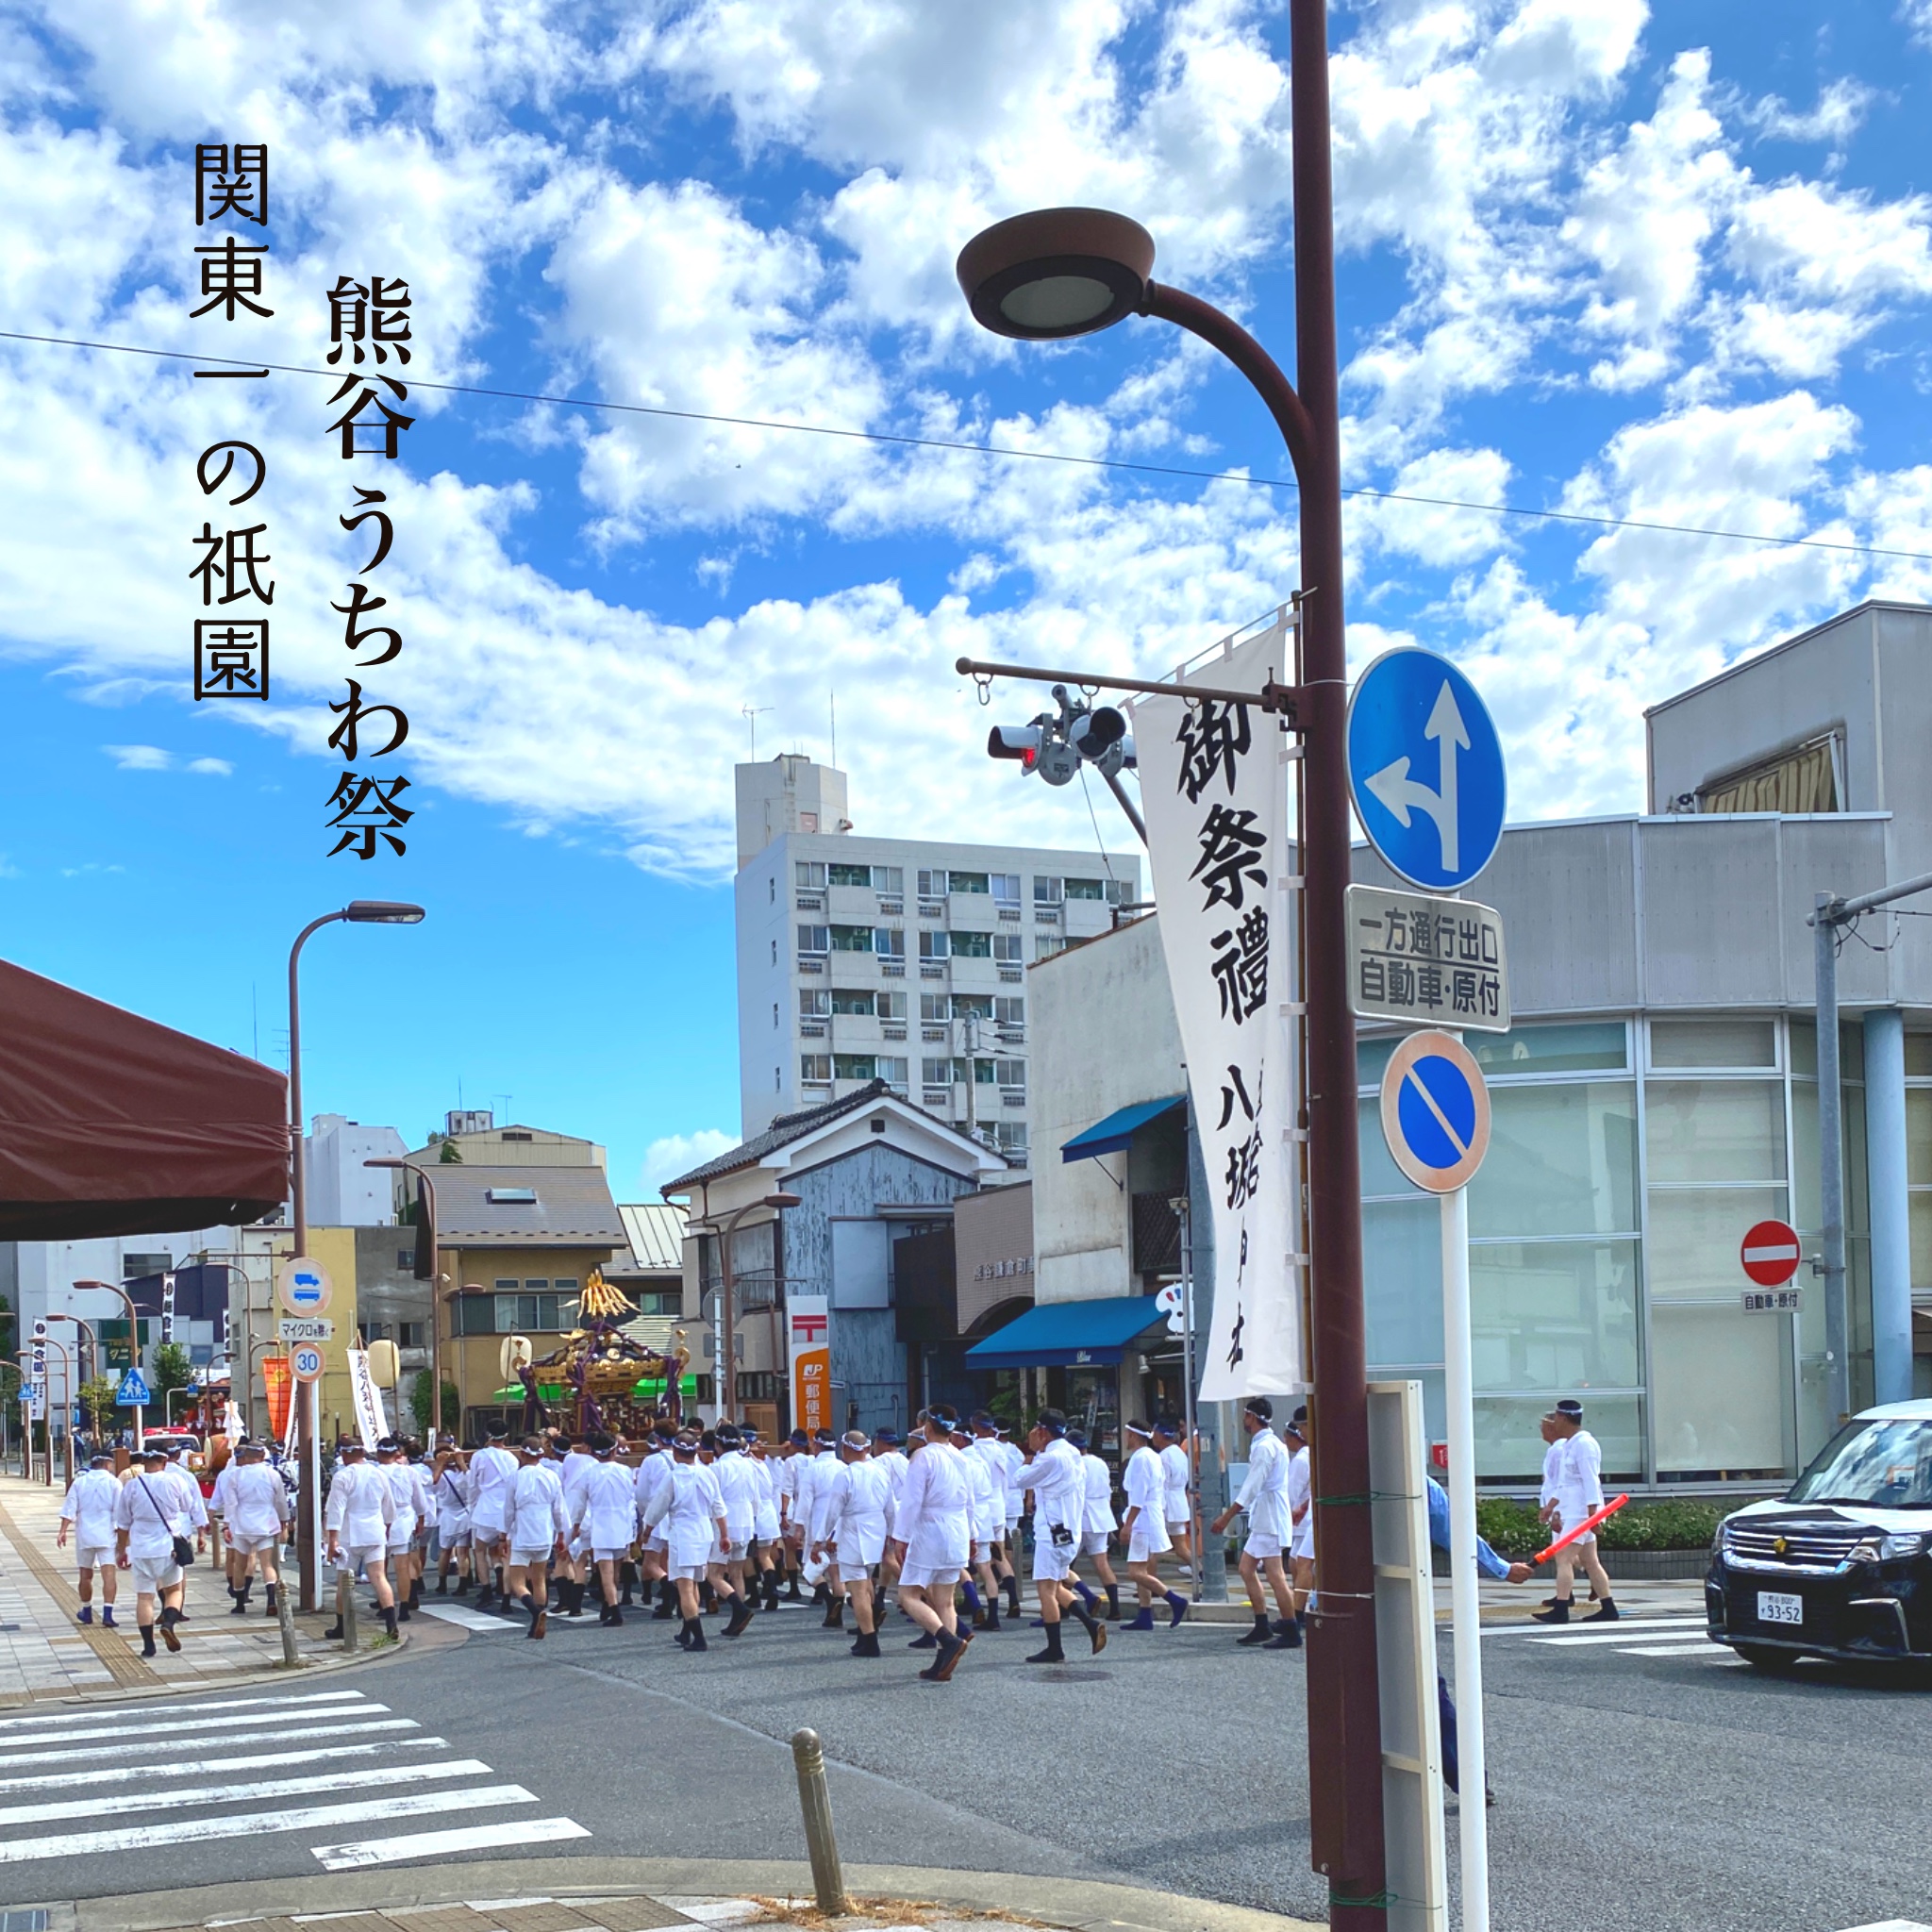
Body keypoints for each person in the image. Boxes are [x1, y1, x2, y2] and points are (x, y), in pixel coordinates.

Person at [1427, 1474, 1533, 1804]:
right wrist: (1501, 1568)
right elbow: (1455, 1532)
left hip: (1342, 1610)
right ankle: (1468, 1779)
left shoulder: (1333, 1472)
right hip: (1397, 1609)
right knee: (1431, 1696)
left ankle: (1469, 1780)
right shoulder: (1415, 1482)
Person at [888, 1407, 974, 1682]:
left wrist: (901, 1536)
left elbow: (912, 1500)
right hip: (957, 1528)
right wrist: (972, 1535)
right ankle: (943, 1663)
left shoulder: (922, 1456)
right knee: (945, 1600)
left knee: (909, 1595)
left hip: (930, 1529)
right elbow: (970, 1501)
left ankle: (947, 1641)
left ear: (927, 1427)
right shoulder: (961, 1457)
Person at [1016, 1408, 1108, 1664]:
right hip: (1069, 1530)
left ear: (1042, 1432)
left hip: (1051, 1531)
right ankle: (1090, 1624)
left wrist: (1033, 1453)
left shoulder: (1050, 1458)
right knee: (1056, 1585)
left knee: (1045, 1589)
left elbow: (1019, 1480)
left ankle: (1054, 1647)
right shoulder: (1072, 1453)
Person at [1209, 1396, 1299, 1649]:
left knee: (1276, 1574)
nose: (1243, 1421)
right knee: (1246, 1568)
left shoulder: (1264, 1447)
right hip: (1267, 1515)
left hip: (1268, 1517)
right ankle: (1263, 1625)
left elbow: (1252, 1486)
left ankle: (1290, 1627)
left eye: (1245, 1416)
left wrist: (1227, 1516)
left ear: (1251, 1417)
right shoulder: (1274, 1443)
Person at [641, 1428, 729, 1651]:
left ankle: (699, 1638)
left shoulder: (673, 1477)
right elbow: (718, 1505)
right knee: (694, 1582)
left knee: (685, 1586)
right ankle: (687, 1632)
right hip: (705, 1532)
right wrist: (725, 1534)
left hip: (683, 1533)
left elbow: (657, 1507)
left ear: (676, 1452)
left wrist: (647, 1529)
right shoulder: (707, 1473)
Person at [1534, 1399, 1618, 1624]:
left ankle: (1561, 1608)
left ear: (1563, 1418)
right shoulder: (1570, 1444)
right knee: (1590, 1560)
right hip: (1573, 1509)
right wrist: (1551, 1506)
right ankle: (1608, 1607)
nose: (1553, 1423)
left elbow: (1591, 1482)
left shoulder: (1584, 1445)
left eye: (1556, 1418)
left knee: (1564, 1557)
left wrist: (1594, 1515)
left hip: (1580, 1512)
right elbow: (1563, 1483)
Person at [817, 1430, 891, 1657]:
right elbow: (891, 1508)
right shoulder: (880, 1472)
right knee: (867, 1581)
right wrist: (891, 1535)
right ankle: (865, 1633)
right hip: (876, 1528)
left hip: (853, 1530)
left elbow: (833, 1511)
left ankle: (869, 1638)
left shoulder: (846, 1475)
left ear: (846, 1449)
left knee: (857, 1589)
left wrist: (820, 1539)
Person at [113, 1446, 190, 1657]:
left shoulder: (132, 1486)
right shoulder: (175, 1480)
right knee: (174, 1590)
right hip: (167, 1545)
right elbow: (186, 1506)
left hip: (140, 1547)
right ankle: (169, 1623)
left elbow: (123, 1523)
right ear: (164, 1462)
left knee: (144, 1597)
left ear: (144, 1462)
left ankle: (148, 1645)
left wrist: (122, 1550)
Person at [324, 1440, 398, 1640]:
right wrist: (387, 1526)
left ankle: (342, 1626)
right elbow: (388, 1504)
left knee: (344, 1582)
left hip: (349, 1533)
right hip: (375, 1530)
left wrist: (332, 1540)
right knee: (379, 1577)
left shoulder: (342, 1476)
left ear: (345, 1454)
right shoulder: (378, 1474)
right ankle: (391, 1625)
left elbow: (336, 1509)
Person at [1119, 1422, 1187, 1630]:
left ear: (1133, 1436)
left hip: (1143, 1520)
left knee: (1135, 1571)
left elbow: (1138, 1495)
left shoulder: (1140, 1459)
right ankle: (1145, 1613)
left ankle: (1174, 1600)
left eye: (1127, 1434)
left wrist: (1128, 1525)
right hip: (1152, 1515)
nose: (1126, 1438)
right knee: (1143, 1567)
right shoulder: (1154, 1456)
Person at [504, 1436, 571, 1637]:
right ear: (541, 1455)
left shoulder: (515, 1477)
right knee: (539, 1577)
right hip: (544, 1530)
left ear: (522, 1454)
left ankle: (535, 1612)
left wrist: (503, 1534)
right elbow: (559, 1509)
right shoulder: (551, 1476)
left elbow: (508, 1510)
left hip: (523, 1530)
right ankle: (538, 1619)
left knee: (517, 1582)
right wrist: (561, 1534)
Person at [575, 1430, 640, 1625]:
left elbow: (580, 1503)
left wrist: (577, 1524)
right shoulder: (625, 1471)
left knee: (605, 1570)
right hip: (622, 1521)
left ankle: (613, 1608)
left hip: (600, 1522)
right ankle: (609, 1602)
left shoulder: (589, 1473)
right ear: (614, 1451)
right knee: (617, 1567)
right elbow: (631, 1498)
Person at [223, 1441, 290, 1617]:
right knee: (267, 1564)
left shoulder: (235, 1475)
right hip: (266, 1523)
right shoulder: (272, 1474)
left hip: (242, 1523)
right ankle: (270, 1601)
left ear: (246, 1456)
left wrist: (227, 1524)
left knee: (240, 1565)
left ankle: (239, 1603)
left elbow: (230, 1503)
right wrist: (284, 1520)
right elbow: (281, 1500)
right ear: (262, 1456)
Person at [58, 1452, 119, 1628]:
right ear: (108, 1463)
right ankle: (108, 1613)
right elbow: (120, 1510)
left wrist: (62, 1531)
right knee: (109, 1574)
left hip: (85, 1532)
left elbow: (70, 1508)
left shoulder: (80, 1482)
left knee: (86, 1575)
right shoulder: (114, 1483)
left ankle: (86, 1610)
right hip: (107, 1532)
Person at [465, 1424, 518, 1609]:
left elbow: (472, 1485)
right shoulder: (512, 1458)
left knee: (480, 1550)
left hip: (486, 1508)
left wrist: (471, 1504)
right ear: (506, 1436)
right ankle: (505, 1598)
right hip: (507, 1509)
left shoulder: (479, 1456)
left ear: (488, 1435)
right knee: (506, 1555)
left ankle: (486, 1590)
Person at [1072, 1428, 1122, 1620]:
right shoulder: (1100, 1462)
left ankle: (1065, 1604)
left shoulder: (1075, 1465)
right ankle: (1115, 1608)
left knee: (1065, 1565)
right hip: (1101, 1518)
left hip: (1081, 1517)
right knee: (1102, 1564)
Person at [375, 1440, 419, 1622]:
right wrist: (421, 1518)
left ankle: (385, 1605)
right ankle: (404, 1607)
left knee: (380, 1567)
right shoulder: (409, 1472)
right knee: (402, 1567)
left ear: (378, 1454)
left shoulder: (374, 1472)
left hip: (379, 1518)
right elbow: (420, 1499)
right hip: (403, 1517)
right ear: (397, 1453)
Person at [1285, 1406, 1315, 1626]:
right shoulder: (1312, 1452)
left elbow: (1292, 1492)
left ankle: (1297, 1613)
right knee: (1297, 1562)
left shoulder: (1302, 1459)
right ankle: (1300, 1607)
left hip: (1308, 1518)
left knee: (1302, 1563)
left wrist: (1296, 1510)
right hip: (1309, 1514)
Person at [1154, 1419, 1194, 1580]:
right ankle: (1200, 1570)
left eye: (1155, 1434)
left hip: (1166, 1502)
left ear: (1162, 1436)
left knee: (1152, 1546)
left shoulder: (1163, 1457)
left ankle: (1150, 1581)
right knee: (1181, 1547)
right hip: (1179, 1501)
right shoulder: (1180, 1453)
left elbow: (1161, 1483)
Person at [432, 1444, 472, 1595]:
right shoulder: (462, 1475)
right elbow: (471, 1481)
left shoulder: (441, 1476)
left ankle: (442, 1583)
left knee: (445, 1551)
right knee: (463, 1552)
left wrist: (440, 1464)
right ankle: (462, 1583)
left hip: (448, 1515)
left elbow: (433, 1482)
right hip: (464, 1514)